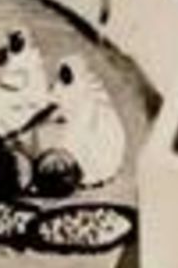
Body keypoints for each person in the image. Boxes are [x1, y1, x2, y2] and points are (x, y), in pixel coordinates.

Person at [42, 55, 128, 188]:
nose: (64, 75)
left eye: (67, 71)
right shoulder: (60, 88)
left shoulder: (89, 87)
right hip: (76, 127)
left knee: (81, 140)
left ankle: (93, 175)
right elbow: (50, 108)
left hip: (93, 128)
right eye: (62, 72)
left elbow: (97, 113)